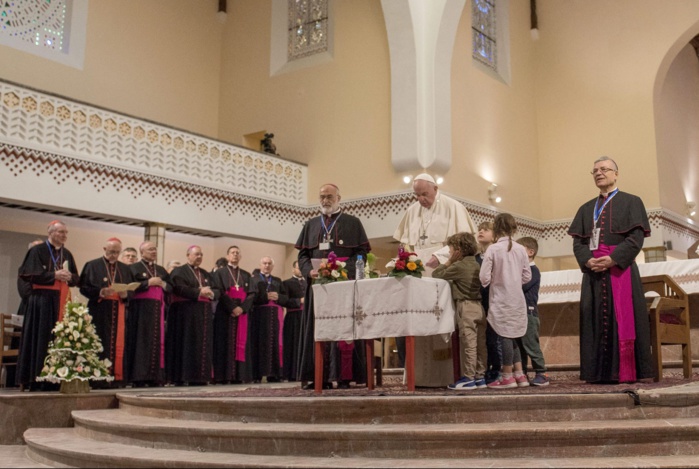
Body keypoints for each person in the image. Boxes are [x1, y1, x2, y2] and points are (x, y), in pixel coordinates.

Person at [568, 156, 653, 383]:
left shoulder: (632, 202)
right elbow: (578, 242)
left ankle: (625, 371)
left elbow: (635, 238)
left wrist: (614, 258)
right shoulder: (586, 209)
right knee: (593, 318)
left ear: (616, 174)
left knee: (622, 319)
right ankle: (596, 373)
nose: (599, 173)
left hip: (620, 271)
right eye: (595, 170)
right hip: (594, 274)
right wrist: (587, 261)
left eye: (604, 169)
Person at [392, 173, 476, 387]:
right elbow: (406, 243)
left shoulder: (452, 207)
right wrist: (407, 257)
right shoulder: (412, 211)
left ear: (435, 189)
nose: (421, 199)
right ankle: (418, 376)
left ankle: (445, 376)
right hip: (419, 275)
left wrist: (439, 256)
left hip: (442, 274)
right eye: (417, 195)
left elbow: (464, 244)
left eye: (425, 194)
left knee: (439, 320)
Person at [295, 183, 371, 389]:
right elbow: (302, 255)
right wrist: (307, 271)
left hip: (344, 285)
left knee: (344, 327)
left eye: (329, 196)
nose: (325, 200)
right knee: (315, 328)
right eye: (322, 197)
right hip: (317, 287)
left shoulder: (353, 222)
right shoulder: (310, 225)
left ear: (339, 198)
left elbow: (361, 253)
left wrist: (343, 269)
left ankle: (345, 376)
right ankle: (318, 376)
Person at [16, 222, 79, 391]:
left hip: (61, 300)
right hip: (42, 302)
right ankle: (36, 378)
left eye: (66, 232)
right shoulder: (37, 251)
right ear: (50, 232)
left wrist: (69, 277)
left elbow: (76, 279)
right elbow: (30, 274)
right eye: (61, 232)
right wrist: (54, 275)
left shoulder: (67, 253)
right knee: (41, 338)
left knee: (58, 338)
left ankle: (57, 377)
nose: (64, 235)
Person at [479, 213, 532, 389]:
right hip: (517, 298)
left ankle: (507, 376)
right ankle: (520, 375)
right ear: (514, 228)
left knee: (504, 337)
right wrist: (514, 281)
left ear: (496, 228)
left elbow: (484, 277)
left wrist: (496, 280)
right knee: (513, 336)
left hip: (500, 298)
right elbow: (527, 276)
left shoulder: (493, 249)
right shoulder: (520, 249)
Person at [432, 232, 486, 391]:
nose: (449, 253)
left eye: (450, 250)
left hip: (466, 307)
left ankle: (469, 378)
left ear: (458, 251)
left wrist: (449, 261)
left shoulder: (459, 265)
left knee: (469, 343)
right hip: (479, 307)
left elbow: (437, 274)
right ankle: (480, 376)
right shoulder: (476, 264)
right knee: (480, 344)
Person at [79, 237, 133, 386]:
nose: (114, 255)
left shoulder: (125, 268)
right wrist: (100, 292)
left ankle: (117, 378)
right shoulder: (92, 265)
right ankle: (98, 378)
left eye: (117, 252)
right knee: (99, 342)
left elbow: (132, 289)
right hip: (99, 311)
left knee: (118, 343)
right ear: (104, 249)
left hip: (119, 310)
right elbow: (83, 287)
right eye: (111, 252)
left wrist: (126, 294)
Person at [166, 245, 219, 385]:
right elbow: (178, 288)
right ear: (188, 255)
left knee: (203, 345)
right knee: (186, 345)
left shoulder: (206, 273)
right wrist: (198, 292)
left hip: (204, 314)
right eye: (196, 254)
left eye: (201, 254)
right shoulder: (179, 271)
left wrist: (212, 293)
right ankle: (183, 377)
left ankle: (200, 377)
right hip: (185, 315)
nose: (199, 257)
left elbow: (217, 289)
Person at [126, 241, 170, 387]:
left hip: (158, 310)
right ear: (142, 252)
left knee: (158, 341)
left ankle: (155, 376)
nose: (153, 251)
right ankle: (139, 377)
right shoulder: (133, 268)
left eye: (155, 249)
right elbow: (129, 288)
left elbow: (170, 287)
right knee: (141, 342)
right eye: (150, 249)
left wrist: (163, 284)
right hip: (140, 311)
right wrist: (147, 283)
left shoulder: (161, 269)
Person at [212, 246, 254, 384]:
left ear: (240, 257)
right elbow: (219, 291)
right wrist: (232, 307)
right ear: (228, 255)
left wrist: (242, 308)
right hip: (225, 313)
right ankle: (224, 376)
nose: (235, 255)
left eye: (237, 253)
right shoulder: (220, 273)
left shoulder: (246, 274)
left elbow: (251, 294)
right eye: (232, 253)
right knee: (224, 343)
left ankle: (239, 375)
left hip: (241, 314)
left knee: (241, 342)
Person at [248, 257, 289, 383]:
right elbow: (251, 298)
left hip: (275, 316)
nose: (266, 265)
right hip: (259, 316)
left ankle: (275, 374)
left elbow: (286, 298)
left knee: (276, 344)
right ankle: (257, 375)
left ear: (272, 266)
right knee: (259, 344)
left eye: (269, 263)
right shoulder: (253, 279)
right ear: (260, 265)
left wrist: (278, 297)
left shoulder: (277, 280)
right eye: (264, 263)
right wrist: (265, 297)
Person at [516, 237, 549, 386]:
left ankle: (541, 372)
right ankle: (521, 373)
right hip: (518, 312)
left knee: (530, 344)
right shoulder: (519, 270)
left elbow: (522, 287)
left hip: (529, 313)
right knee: (519, 345)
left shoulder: (533, 270)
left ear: (530, 252)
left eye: (519, 249)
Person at [476, 221, 501, 384]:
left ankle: (497, 369)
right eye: (479, 230)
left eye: (486, 230)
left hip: (495, 299)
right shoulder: (475, 257)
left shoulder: (498, 253)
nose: (481, 232)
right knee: (482, 338)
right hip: (479, 300)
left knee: (494, 338)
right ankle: (483, 368)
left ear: (495, 235)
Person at [281, 260, 306, 382]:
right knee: (294, 345)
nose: (300, 269)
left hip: (306, 317)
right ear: (293, 269)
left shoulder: (309, 283)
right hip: (293, 317)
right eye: (298, 267)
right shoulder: (286, 283)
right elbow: (284, 301)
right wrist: (299, 301)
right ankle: (292, 373)